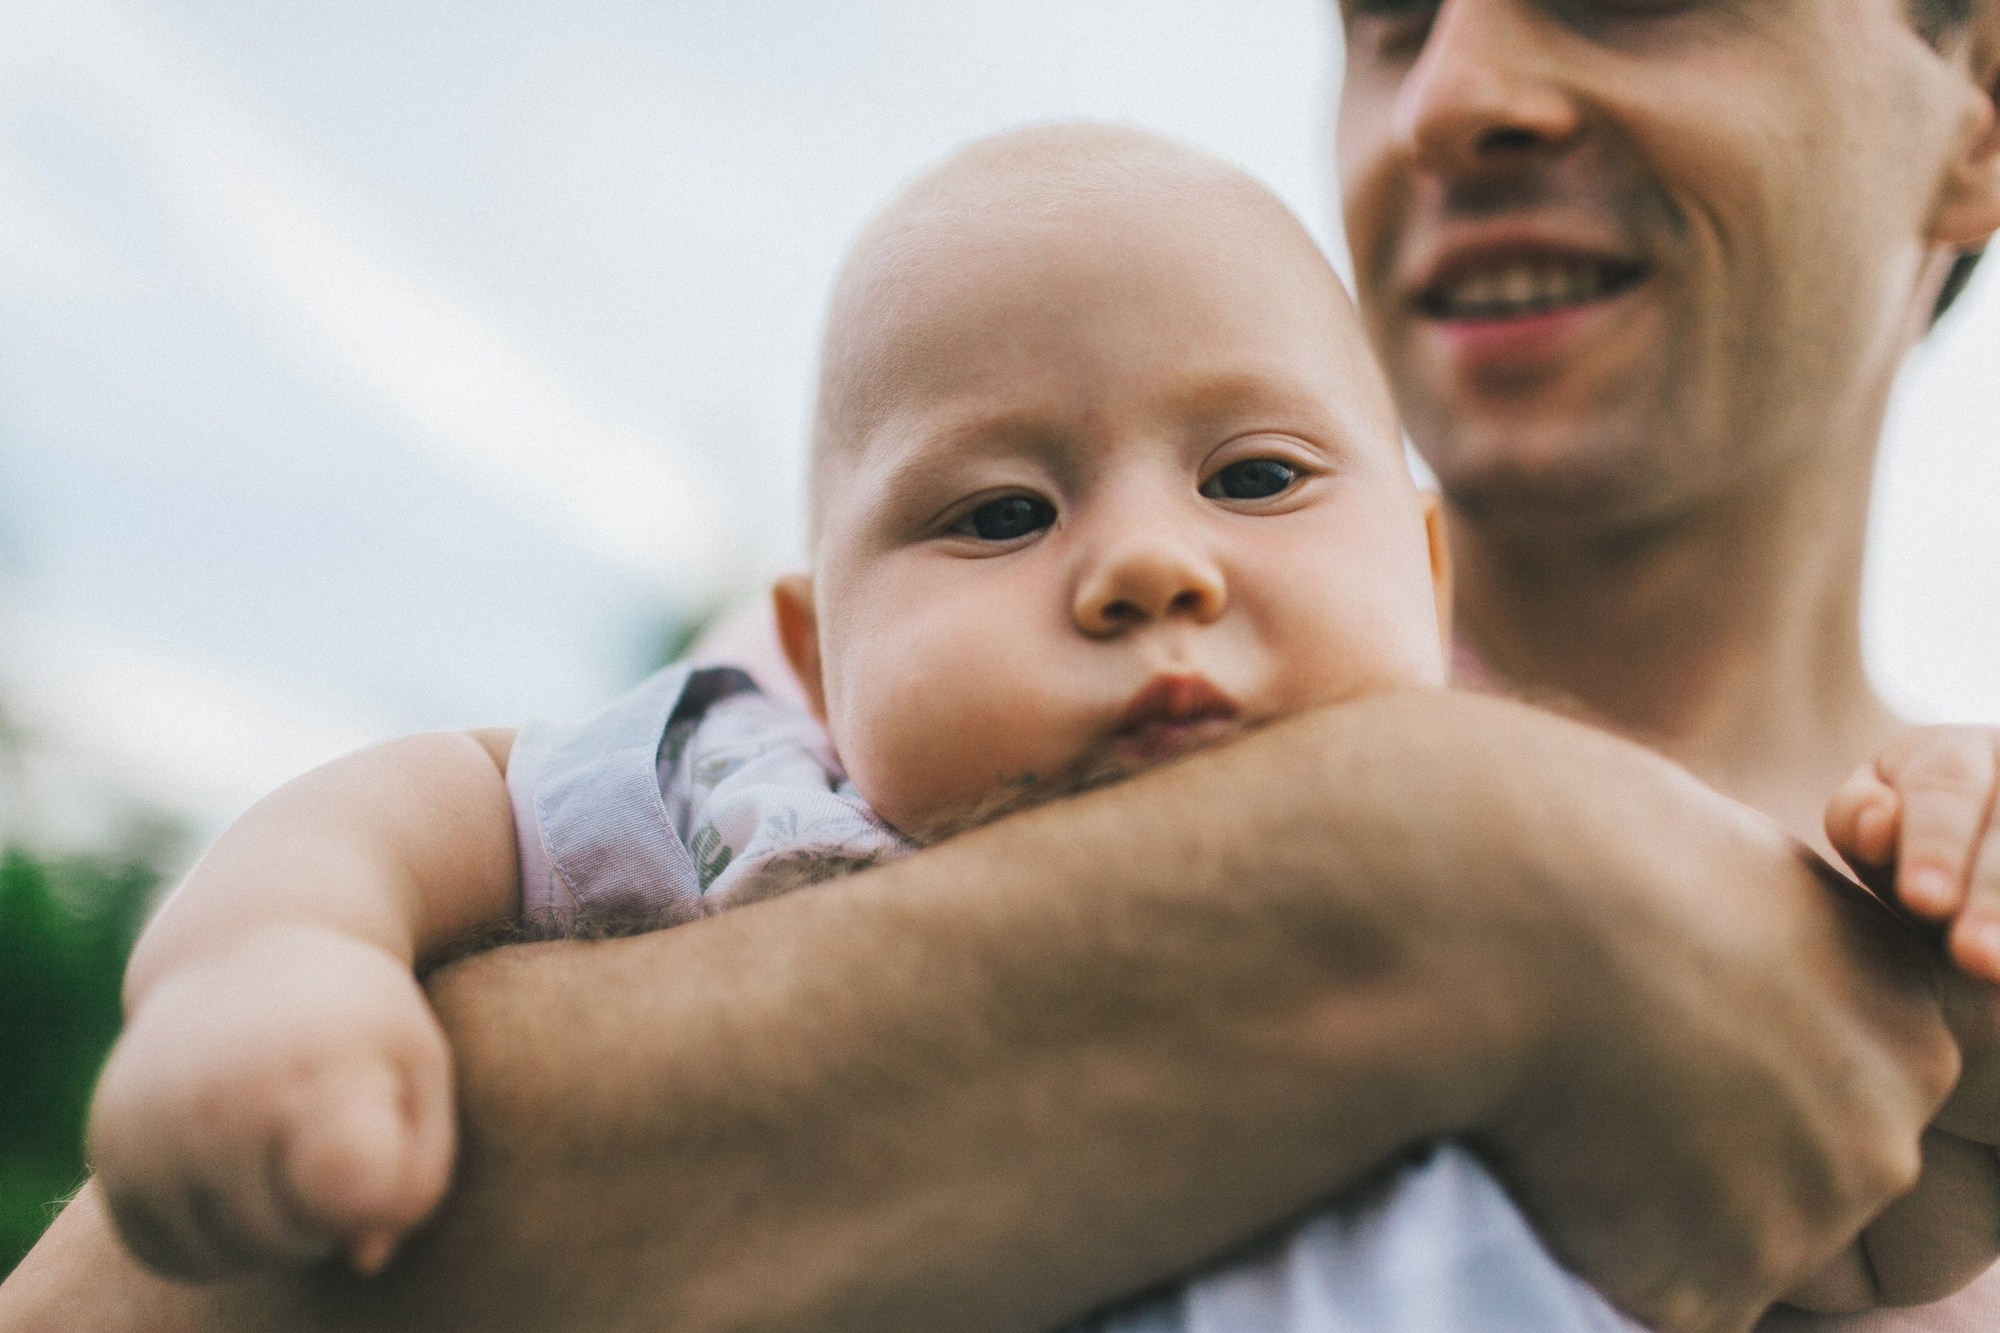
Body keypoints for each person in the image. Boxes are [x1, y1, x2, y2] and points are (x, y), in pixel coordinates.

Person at [3, 0, 1998, 1329]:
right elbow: (445, 802)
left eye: (1250, 474)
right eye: (1384, 18)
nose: (1141, 562)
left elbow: (1881, 1211)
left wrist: (1945, 987)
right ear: (813, 634)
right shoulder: (797, 772)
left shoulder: (1850, 910)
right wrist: (267, 956)